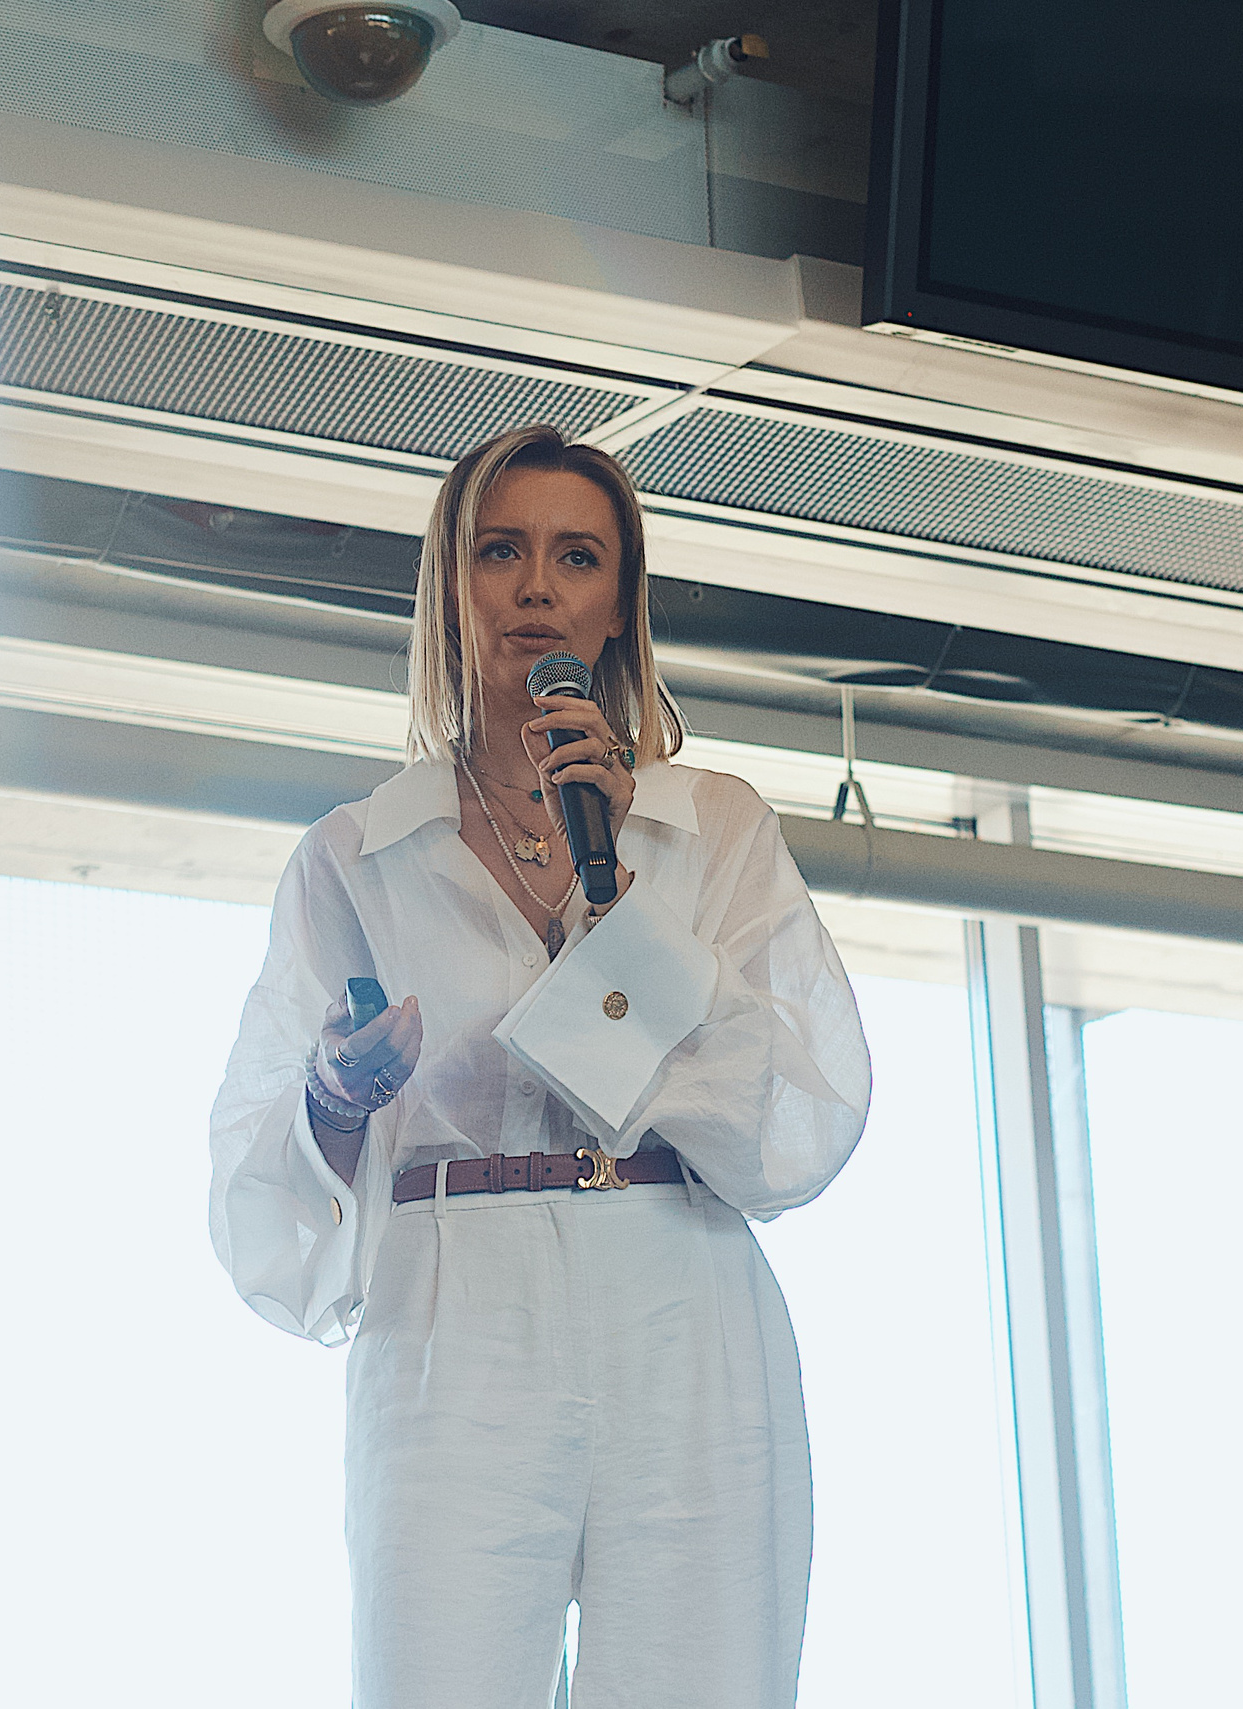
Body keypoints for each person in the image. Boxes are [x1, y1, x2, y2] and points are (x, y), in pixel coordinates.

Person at [207, 423, 872, 1708]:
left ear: (618, 602)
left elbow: (803, 1120)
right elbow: (258, 1178)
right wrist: (336, 1101)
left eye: (576, 556)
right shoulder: (354, 853)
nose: (534, 587)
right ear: (449, 587)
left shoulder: (710, 825)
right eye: (499, 550)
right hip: (455, 1305)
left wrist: (621, 895)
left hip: (680, 1288)